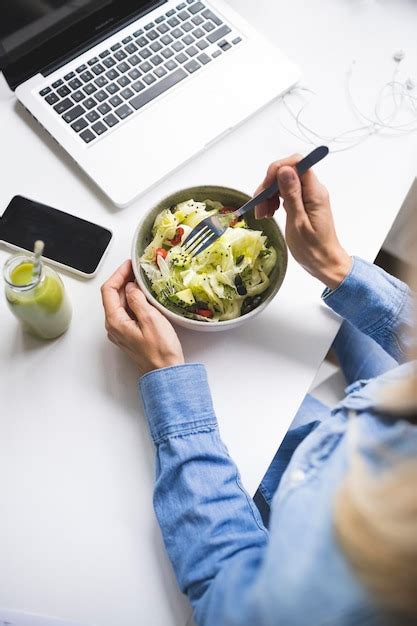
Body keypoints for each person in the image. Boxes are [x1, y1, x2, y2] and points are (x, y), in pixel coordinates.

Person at [101, 155, 417, 626]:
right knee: (317, 319)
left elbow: (222, 585)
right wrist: (335, 265)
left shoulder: (342, 593)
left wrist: (166, 379)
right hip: (384, 398)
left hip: (320, 488)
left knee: (234, 386)